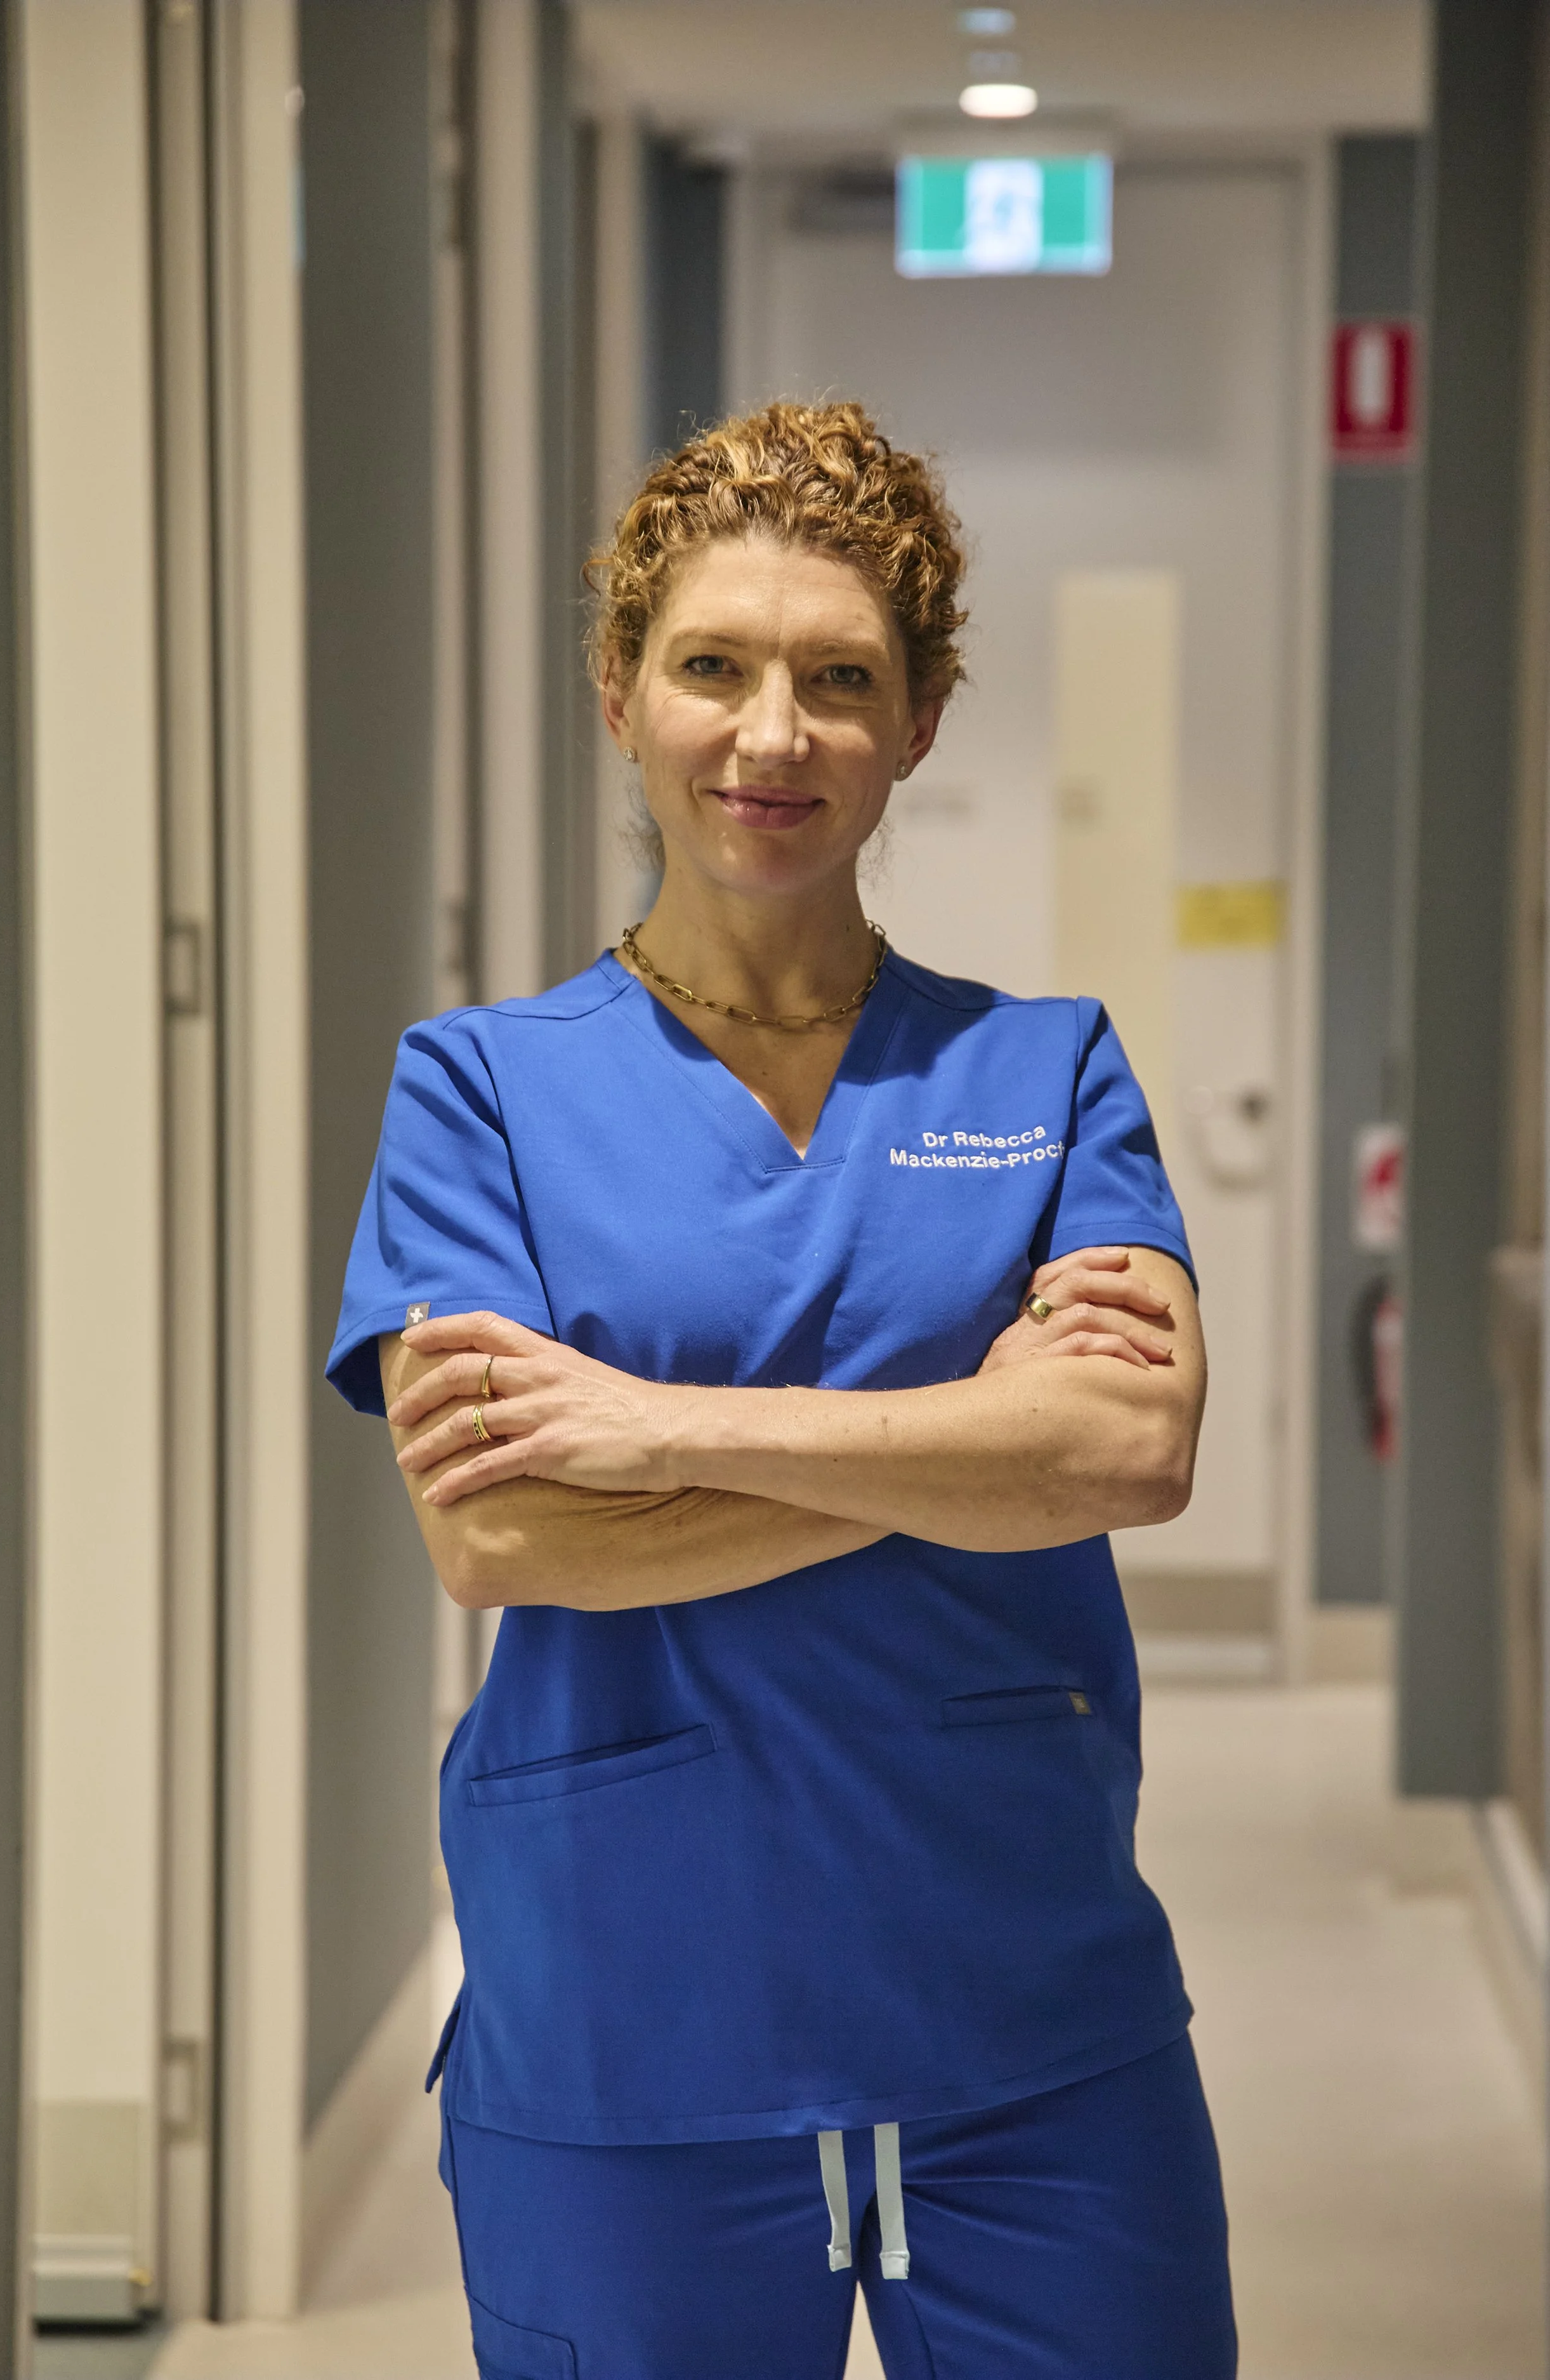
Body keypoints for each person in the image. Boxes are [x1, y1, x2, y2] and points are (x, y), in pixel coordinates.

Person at [327, 400, 1236, 2380]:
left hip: (1029, 2010)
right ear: (620, 693)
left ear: (917, 722)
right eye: (712, 667)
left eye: (839, 680)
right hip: (628, 2017)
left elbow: (1123, 1446)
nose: (772, 734)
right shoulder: (478, 1091)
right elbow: (501, 1533)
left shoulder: (1045, 1071)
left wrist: (659, 1428)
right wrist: (966, 1444)